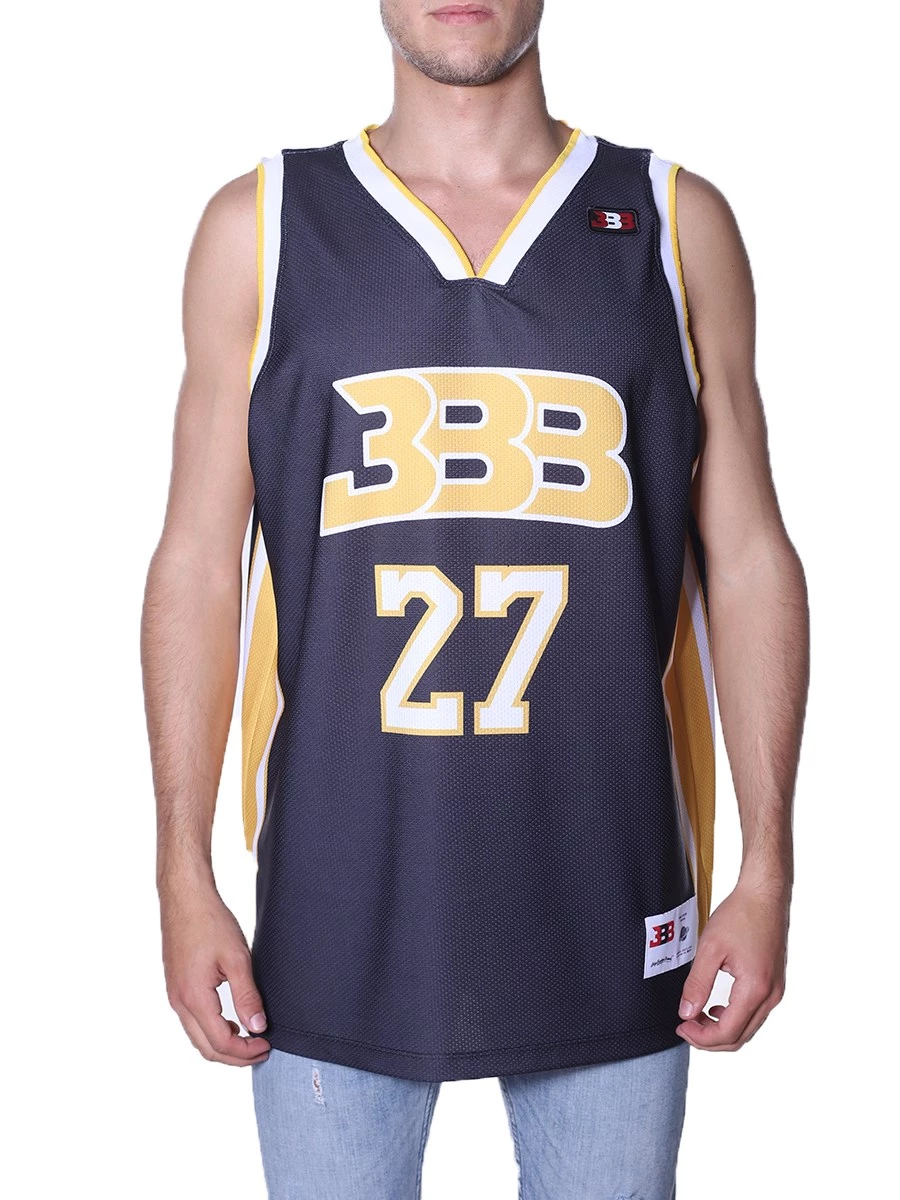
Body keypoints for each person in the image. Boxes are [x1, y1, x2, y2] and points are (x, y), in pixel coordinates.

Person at [140, 1, 809, 1196]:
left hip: (609, 888)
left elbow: (751, 553)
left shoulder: (673, 221)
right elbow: (196, 557)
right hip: (334, 897)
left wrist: (768, 871)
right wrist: (180, 874)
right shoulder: (263, 225)